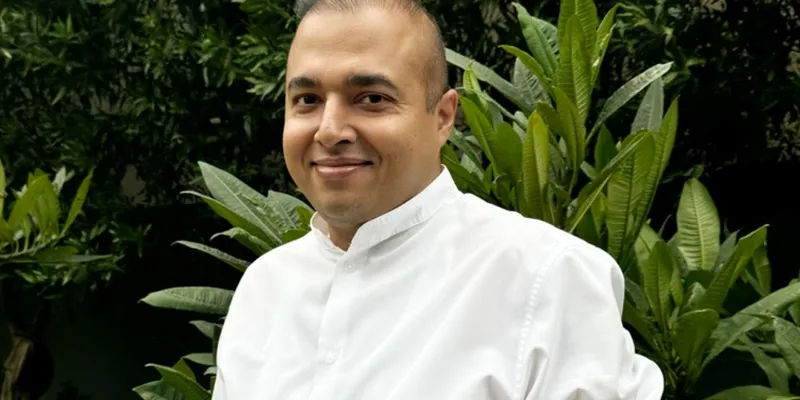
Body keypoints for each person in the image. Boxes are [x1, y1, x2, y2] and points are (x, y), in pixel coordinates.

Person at [212, 0, 665, 399]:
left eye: (371, 98)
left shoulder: (547, 279)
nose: (329, 131)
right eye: (307, 99)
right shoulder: (264, 290)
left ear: (444, 117)